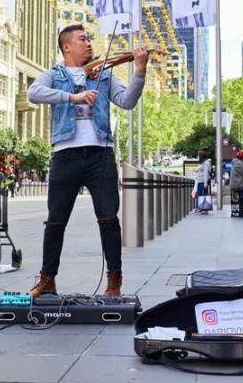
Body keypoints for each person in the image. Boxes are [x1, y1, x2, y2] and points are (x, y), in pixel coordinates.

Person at [26, 24, 149, 297]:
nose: (89, 43)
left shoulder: (104, 74)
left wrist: (139, 71)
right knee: (55, 220)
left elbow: (126, 101)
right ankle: (47, 279)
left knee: (108, 218)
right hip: (65, 154)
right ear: (66, 46)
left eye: (89, 39)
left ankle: (114, 280)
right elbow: (33, 93)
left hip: (100, 154)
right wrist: (73, 96)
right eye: (83, 39)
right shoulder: (55, 74)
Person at [194, 149, 213, 214]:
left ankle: (204, 208)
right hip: (201, 181)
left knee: (202, 194)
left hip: (203, 181)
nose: (197, 157)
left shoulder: (206, 163)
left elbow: (205, 173)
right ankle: (201, 207)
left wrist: (205, 183)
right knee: (200, 194)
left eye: (198, 156)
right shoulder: (204, 163)